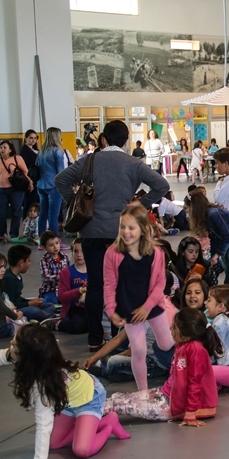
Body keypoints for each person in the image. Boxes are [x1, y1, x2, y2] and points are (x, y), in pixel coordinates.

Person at [55, 120, 169, 353]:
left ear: (104, 139)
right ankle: (123, 337)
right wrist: (139, 204)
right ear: (126, 141)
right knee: (124, 284)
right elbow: (161, 185)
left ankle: (95, 339)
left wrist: (73, 201)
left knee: (96, 285)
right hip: (122, 233)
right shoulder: (133, 163)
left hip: (90, 231)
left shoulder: (89, 160)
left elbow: (60, 181)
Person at [0, 325, 129, 459]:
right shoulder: (37, 359)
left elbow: (43, 422)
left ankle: (108, 423)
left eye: (14, 343)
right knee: (54, 444)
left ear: (28, 356)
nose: (10, 342)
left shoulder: (44, 385)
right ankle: (85, 425)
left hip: (89, 398)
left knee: (81, 450)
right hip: (68, 402)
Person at [104, 307, 221, 425]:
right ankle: (99, 405)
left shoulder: (196, 350)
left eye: (174, 327)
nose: (170, 328)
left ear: (186, 335)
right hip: (165, 394)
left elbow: (194, 383)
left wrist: (190, 414)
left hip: (169, 404)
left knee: (124, 405)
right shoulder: (182, 345)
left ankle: (95, 410)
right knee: (121, 398)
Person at [102, 205, 176, 391]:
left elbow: (160, 283)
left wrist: (147, 307)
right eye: (122, 227)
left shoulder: (156, 253)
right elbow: (109, 284)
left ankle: (182, 366)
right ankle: (143, 392)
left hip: (152, 304)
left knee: (166, 344)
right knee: (139, 349)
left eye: (131, 228)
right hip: (130, 306)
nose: (126, 232)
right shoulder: (113, 253)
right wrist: (111, 310)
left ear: (143, 229)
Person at [42, 239, 88, 334]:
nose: (79, 255)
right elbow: (62, 297)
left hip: (92, 306)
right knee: (78, 326)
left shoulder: (94, 271)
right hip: (75, 308)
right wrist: (79, 290)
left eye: (82, 251)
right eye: (76, 251)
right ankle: (57, 324)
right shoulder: (66, 272)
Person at [3, 244, 56, 323]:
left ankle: (40, 318)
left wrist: (31, 301)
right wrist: (29, 303)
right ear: (21, 263)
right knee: (34, 311)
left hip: (20, 305)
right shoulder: (9, 278)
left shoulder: (17, 276)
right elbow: (12, 303)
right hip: (14, 310)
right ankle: (51, 319)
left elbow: (17, 297)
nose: (30, 263)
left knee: (49, 305)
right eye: (28, 261)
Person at [0, 140, 33, 243]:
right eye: (1, 147)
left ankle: (13, 234)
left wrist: (30, 182)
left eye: (4, 147)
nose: (2, 149)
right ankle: (1, 234)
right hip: (1, 189)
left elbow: (25, 172)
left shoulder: (17, 158)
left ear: (10, 149)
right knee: (0, 213)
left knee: (16, 212)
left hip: (16, 189)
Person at [36, 127, 66, 235]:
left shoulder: (41, 150)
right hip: (53, 186)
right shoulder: (57, 151)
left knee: (43, 214)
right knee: (53, 214)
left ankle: (42, 239)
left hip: (41, 185)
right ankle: (55, 239)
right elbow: (60, 172)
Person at [38, 231, 70, 306]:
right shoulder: (44, 260)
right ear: (44, 248)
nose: (55, 247)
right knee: (52, 301)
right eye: (51, 245)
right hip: (50, 289)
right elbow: (45, 277)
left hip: (63, 288)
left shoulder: (65, 257)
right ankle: (41, 301)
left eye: (57, 243)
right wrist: (58, 277)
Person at [20, 130, 40, 214]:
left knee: (36, 203)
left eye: (35, 138)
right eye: (31, 138)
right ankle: (26, 223)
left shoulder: (35, 150)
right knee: (30, 203)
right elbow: (32, 163)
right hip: (30, 179)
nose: (33, 140)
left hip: (37, 179)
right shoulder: (25, 151)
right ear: (26, 138)